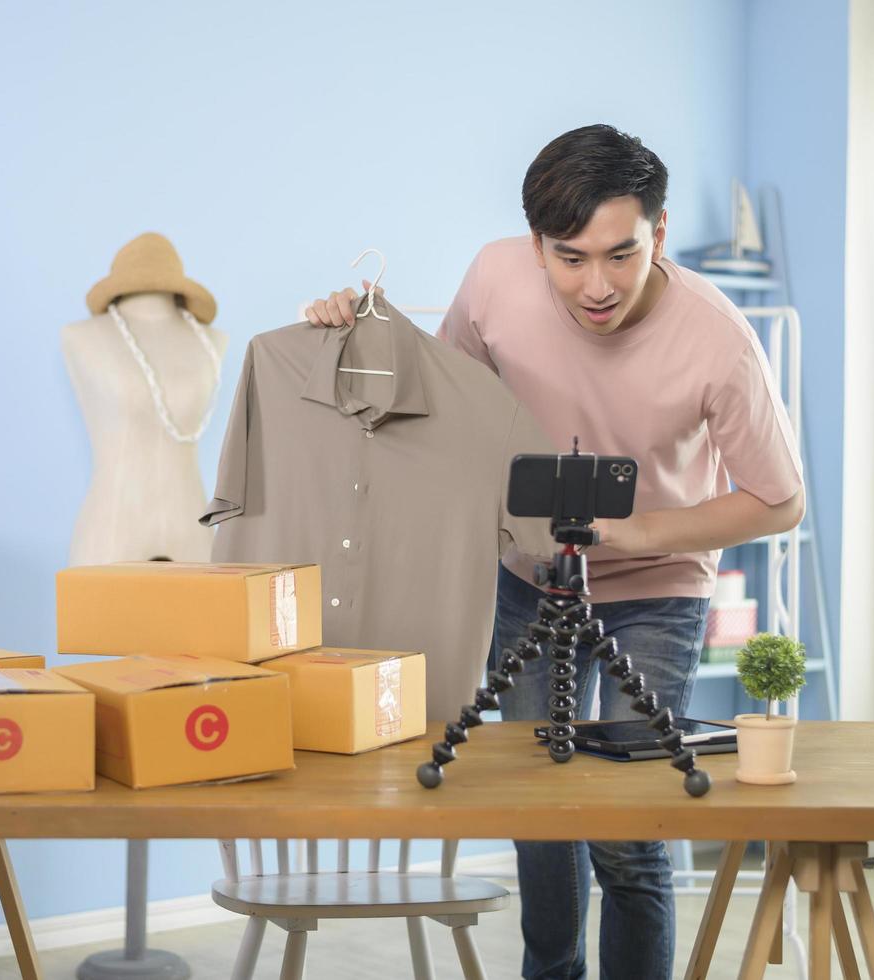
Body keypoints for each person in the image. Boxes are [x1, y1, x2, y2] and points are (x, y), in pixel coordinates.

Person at [306, 123, 805, 980]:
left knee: (627, 825)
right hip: (528, 578)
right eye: (569, 258)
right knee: (541, 814)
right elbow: (443, 406)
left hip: (654, 588)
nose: (597, 285)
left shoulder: (717, 339)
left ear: (658, 227)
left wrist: (636, 532)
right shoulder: (496, 277)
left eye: (621, 254)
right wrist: (352, 331)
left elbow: (779, 499)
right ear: (535, 243)